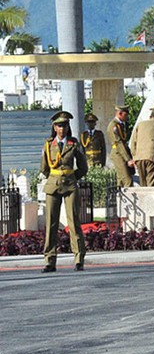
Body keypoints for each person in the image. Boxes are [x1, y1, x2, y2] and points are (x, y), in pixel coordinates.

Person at [40, 111, 88, 272]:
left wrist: (71, 177)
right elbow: (44, 168)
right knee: (51, 223)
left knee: (73, 221)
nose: (62, 128)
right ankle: (50, 260)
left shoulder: (74, 144)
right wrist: (55, 177)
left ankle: (79, 258)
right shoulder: (48, 144)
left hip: (70, 185)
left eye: (65, 125)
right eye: (59, 125)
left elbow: (83, 167)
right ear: (54, 127)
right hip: (53, 185)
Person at [130, 103, 154, 186]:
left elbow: (133, 142)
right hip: (152, 158)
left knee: (143, 185)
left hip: (139, 158)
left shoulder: (140, 125)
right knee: (151, 185)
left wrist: (135, 157)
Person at [107, 104, 135, 187]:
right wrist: (128, 159)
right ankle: (129, 199)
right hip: (118, 154)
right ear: (120, 113)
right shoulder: (113, 126)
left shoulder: (120, 125)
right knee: (127, 180)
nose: (126, 117)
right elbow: (118, 143)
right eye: (125, 115)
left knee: (121, 181)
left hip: (122, 153)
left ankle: (119, 199)